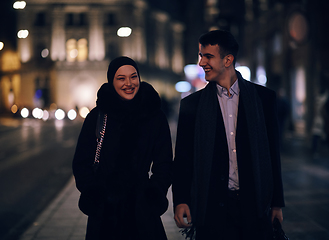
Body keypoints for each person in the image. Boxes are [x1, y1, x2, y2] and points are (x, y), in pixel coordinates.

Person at [172, 30, 285, 240]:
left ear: (228, 60)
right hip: (212, 207)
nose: (201, 63)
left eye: (208, 56)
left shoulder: (263, 99)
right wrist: (181, 200)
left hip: (255, 205)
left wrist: (277, 203)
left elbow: (272, 154)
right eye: (200, 56)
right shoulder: (192, 105)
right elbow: (183, 159)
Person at [73, 56, 173, 240]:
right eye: (121, 78)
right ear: (112, 82)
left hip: (142, 211)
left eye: (133, 77)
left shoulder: (154, 115)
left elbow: (164, 162)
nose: (129, 83)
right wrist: (94, 194)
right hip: (105, 213)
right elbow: (81, 162)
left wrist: (154, 193)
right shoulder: (98, 116)